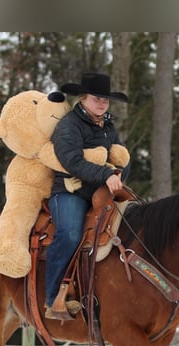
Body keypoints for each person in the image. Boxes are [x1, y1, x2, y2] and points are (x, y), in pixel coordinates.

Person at [44, 72, 131, 320]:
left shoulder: (108, 126)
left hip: (102, 193)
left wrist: (119, 174)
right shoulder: (69, 125)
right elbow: (71, 161)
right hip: (70, 190)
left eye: (105, 99)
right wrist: (106, 174)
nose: (102, 103)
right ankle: (53, 300)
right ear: (83, 98)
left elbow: (121, 155)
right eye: (96, 98)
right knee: (70, 235)